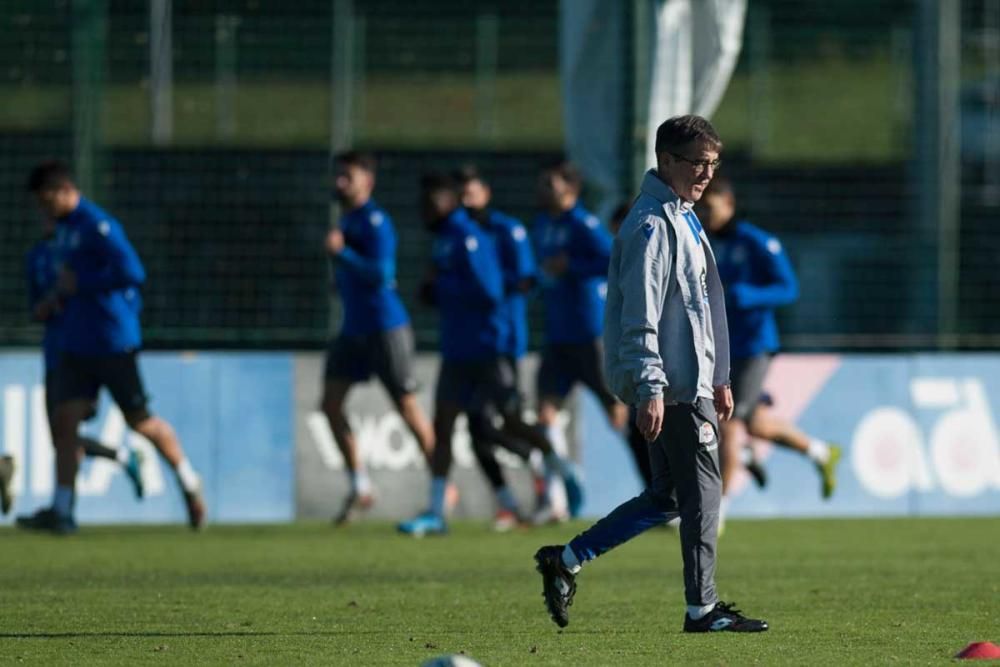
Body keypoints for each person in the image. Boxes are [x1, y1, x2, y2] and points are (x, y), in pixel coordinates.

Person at [534, 116, 768, 633]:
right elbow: (641, 312)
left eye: (713, 164)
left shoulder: (682, 215)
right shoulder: (651, 225)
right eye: (697, 163)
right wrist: (650, 386)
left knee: (667, 495)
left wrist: (721, 375)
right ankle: (702, 609)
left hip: (693, 381)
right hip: (675, 386)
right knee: (704, 496)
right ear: (666, 161)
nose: (707, 174)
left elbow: (703, 306)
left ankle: (566, 559)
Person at [20, 160, 206, 534]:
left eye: (46, 201)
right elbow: (67, 282)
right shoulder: (64, 230)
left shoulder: (98, 225)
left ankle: (189, 480)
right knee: (65, 422)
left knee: (141, 422)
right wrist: (56, 298)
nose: (44, 210)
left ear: (63, 191)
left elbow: (133, 273)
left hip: (111, 341)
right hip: (76, 342)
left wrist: (81, 283)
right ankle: (63, 511)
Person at [398, 173, 581, 537]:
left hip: (489, 347)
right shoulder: (446, 239)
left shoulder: (469, 237)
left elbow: (490, 289)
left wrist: (442, 286)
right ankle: (437, 512)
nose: (424, 211)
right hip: (457, 349)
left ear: (448, 203)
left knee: (509, 420)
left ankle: (560, 468)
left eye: (431, 203)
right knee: (448, 426)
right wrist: (431, 290)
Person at [696, 175, 841, 518]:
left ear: (729, 205)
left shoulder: (758, 242)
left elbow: (788, 289)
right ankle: (819, 452)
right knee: (754, 423)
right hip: (717, 347)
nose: (704, 214)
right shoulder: (703, 242)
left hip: (753, 347)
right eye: (700, 208)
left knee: (727, 420)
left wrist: (749, 295)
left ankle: (717, 514)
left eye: (710, 207)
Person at [323, 150, 436, 524]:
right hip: (353, 329)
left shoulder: (375, 221)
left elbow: (381, 272)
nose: (340, 183)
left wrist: (344, 255)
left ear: (367, 183)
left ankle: (441, 483)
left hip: (386, 328)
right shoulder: (349, 220)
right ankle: (361, 485)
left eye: (348, 177)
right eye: (339, 176)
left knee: (406, 407)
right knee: (330, 404)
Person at [23, 215, 145, 504]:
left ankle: (64, 510)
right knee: (60, 436)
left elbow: (127, 283)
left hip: (85, 353)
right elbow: (36, 304)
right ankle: (118, 458)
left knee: (68, 430)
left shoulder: (85, 253)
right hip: (55, 355)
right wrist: (45, 306)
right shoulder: (38, 257)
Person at [455, 165, 548, 531]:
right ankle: (509, 502)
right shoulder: (453, 234)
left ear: (486, 193)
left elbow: (528, 279)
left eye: (471, 192)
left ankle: (545, 462)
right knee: (477, 427)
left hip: (501, 341)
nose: (465, 200)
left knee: (504, 416)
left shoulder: (506, 229)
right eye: (460, 193)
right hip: (465, 345)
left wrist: (487, 282)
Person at [533, 160, 627, 521]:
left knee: (618, 412)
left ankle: (661, 489)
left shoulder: (583, 224)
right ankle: (556, 497)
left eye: (550, 184)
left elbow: (611, 260)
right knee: (545, 415)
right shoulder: (543, 225)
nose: (543, 190)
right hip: (557, 335)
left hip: (589, 334)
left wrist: (570, 266)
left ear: (570, 190)